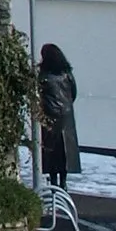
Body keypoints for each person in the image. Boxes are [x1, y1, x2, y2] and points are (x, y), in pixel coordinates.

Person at [39, 43, 81, 188]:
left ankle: (54, 181)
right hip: (66, 116)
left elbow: (39, 94)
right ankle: (63, 182)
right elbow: (73, 92)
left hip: (50, 115)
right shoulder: (67, 73)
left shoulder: (44, 75)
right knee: (65, 152)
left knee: (51, 150)